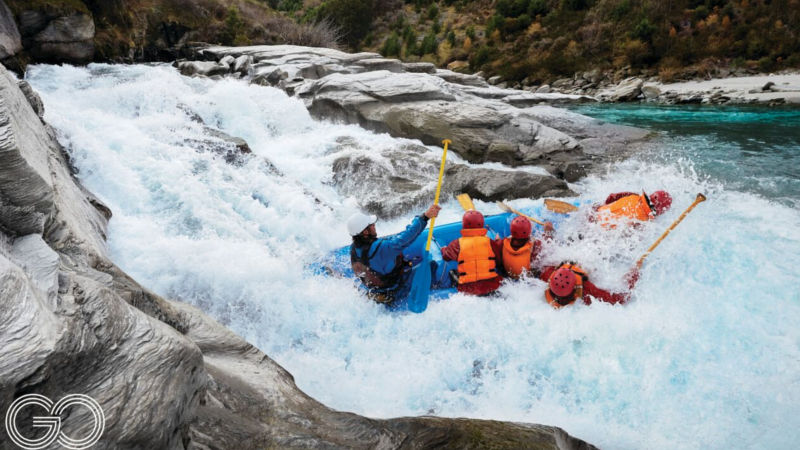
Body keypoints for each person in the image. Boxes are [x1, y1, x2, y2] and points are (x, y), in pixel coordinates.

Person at [348, 204, 441, 304]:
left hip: (377, 292)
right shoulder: (383, 248)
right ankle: (438, 289)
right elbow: (407, 236)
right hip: (397, 291)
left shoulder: (353, 248)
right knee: (432, 266)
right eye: (371, 225)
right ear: (365, 232)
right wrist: (425, 217)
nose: (374, 226)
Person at [441, 210, 504, 296]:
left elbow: (446, 257)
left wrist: (444, 249)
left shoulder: (456, 244)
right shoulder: (490, 242)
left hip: (469, 289)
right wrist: (498, 242)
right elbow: (499, 260)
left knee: (452, 272)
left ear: (464, 225)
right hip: (491, 286)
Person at [539, 263, 639, 308]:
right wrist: (633, 276)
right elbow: (620, 299)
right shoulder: (586, 292)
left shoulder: (546, 275)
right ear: (575, 288)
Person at [595, 190, 672, 224]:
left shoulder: (634, 195)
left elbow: (611, 197)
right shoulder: (643, 222)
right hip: (600, 232)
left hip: (595, 214)